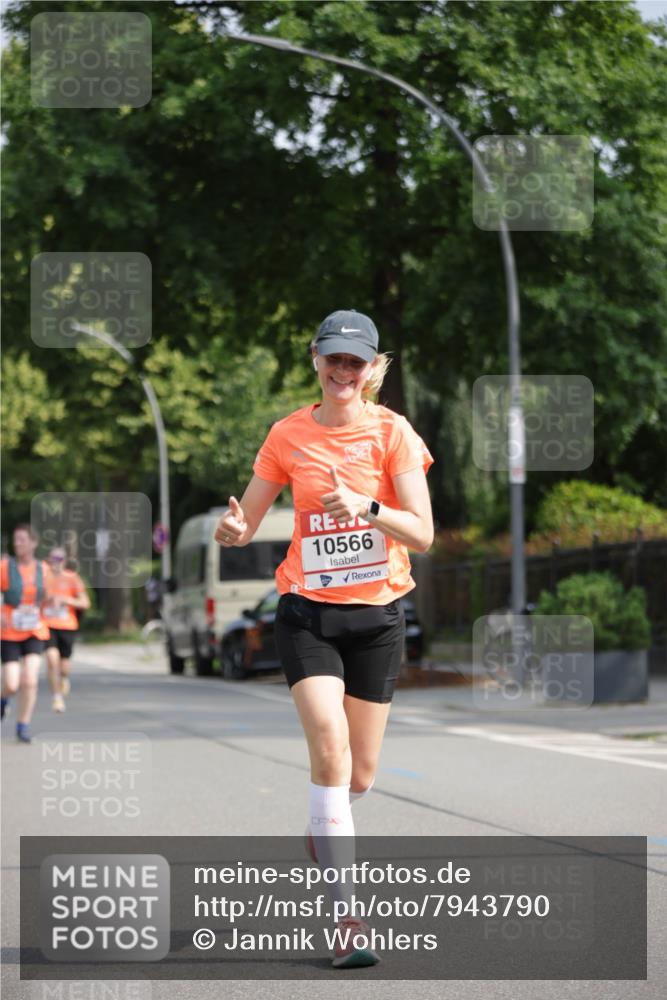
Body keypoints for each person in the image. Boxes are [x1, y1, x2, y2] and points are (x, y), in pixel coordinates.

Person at [214, 309, 434, 968]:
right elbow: (246, 522)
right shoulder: (287, 435)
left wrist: (364, 508)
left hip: (378, 616)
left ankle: (324, 818)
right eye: (332, 359)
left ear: (372, 370)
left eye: (355, 362)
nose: (343, 371)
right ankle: (346, 921)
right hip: (307, 612)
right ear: (315, 359)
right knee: (329, 751)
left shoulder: (392, 433)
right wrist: (232, 531)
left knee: (357, 776)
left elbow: (421, 534)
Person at [0, 524, 52, 742]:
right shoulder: (5, 567)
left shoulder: (44, 569)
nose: (18, 543)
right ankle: (4, 700)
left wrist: (43, 605)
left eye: (22, 539)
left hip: (34, 629)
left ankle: (23, 725)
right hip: (9, 630)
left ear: (33, 543)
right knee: (12, 684)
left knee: (30, 680)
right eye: (16, 539)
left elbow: (48, 596)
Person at [42, 547, 90, 712]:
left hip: (67, 625)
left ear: (64, 561)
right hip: (47, 625)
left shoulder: (72, 578)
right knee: (51, 659)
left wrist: (66, 600)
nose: (56, 562)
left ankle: (64, 678)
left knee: (64, 666)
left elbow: (85, 602)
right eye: (53, 559)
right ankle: (57, 698)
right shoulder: (42, 578)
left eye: (59, 559)